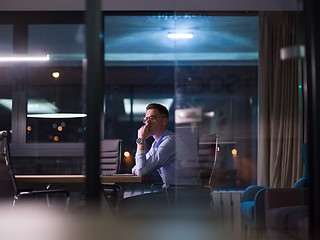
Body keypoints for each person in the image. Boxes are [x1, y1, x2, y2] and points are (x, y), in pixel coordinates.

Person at [131, 103, 176, 187]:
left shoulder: (170, 141)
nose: (147, 122)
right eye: (146, 119)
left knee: (129, 200)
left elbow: (140, 171)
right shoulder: (156, 144)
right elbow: (135, 169)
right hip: (170, 192)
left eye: (152, 118)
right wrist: (141, 170)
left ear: (164, 121)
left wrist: (141, 139)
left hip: (181, 194)